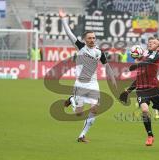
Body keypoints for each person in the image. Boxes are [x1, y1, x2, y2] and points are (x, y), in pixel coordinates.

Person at [59, 9, 116, 143]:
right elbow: (69, 33)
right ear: (85, 40)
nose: (92, 40)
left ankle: (82, 135)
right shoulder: (80, 47)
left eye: (94, 38)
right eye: (89, 38)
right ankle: (72, 99)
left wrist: (112, 78)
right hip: (80, 83)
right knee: (79, 113)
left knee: (95, 109)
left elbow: (107, 66)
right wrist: (63, 19)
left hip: (93, 83)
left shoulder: (99, 52)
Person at [119, 37, 159, 150]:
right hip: (141, 90)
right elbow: (138, 78)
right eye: (150, 42)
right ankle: (150, 135)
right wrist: (128, 90)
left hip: (154, 89)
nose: (151, 43)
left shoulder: (156, 56)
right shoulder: (144, 57)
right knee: (145, 110)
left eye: (154, 42)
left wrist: (137, 64)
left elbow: (149, 61)